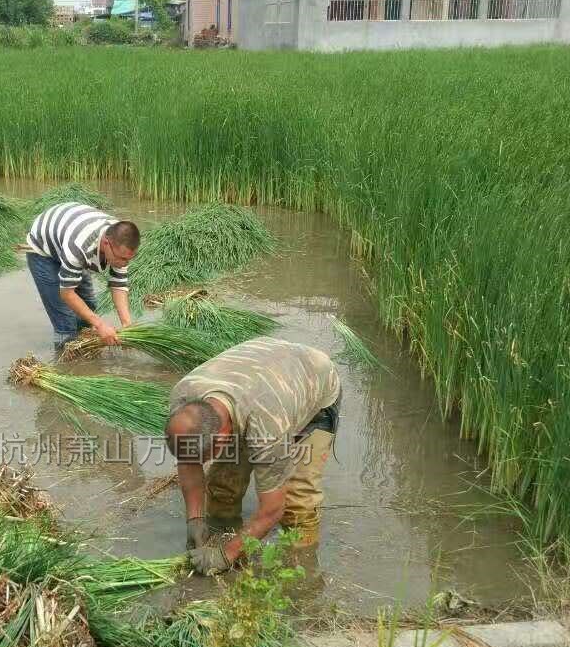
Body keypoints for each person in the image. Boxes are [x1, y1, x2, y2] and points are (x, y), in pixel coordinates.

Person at [164, 336, 341, 575]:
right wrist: (194, 519)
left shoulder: (268, 429)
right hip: (261, 366)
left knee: (297, 501)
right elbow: (188, 462)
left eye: (204, 456)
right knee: (223, 486)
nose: (198, 463)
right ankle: (219, 535)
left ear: (223, 437)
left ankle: (303, 568)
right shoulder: (184, 397)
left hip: (313, 382)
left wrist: (226, 555)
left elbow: (272, 509)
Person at [24, 201, 140, 351]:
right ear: (106, 243)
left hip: (69, 232)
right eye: (122, 259)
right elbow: (66, 293)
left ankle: (85, 350)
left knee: (89, 305)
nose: (124, 264)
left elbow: (118, 284)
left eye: (129, 259)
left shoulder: (121, 241)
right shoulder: (79, 247)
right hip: (43, 250)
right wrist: (100, 325)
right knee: (65, 322)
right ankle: (66, 362)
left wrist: (127, 325)